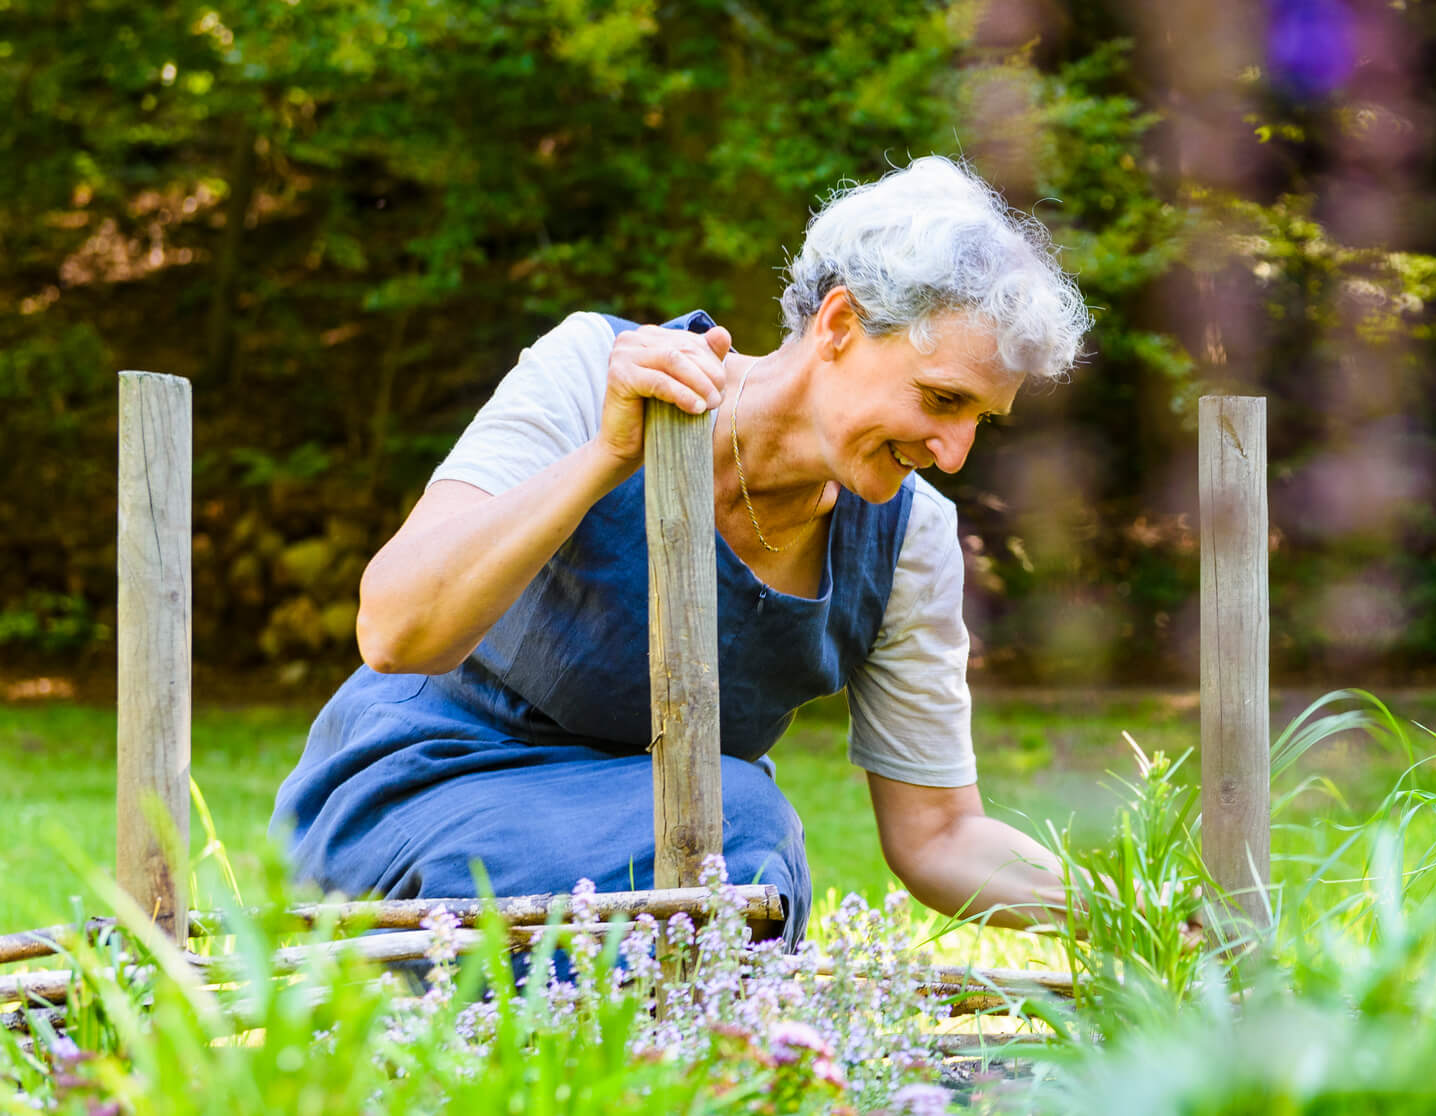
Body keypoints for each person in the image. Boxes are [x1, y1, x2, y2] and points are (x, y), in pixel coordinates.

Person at [268, 157, 1090, 937]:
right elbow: (395, 630)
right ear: (839, 324)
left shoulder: (912, 539)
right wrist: (607, 458)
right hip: (425, 797)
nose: (954, 452)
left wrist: (1134, 913)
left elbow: (941, 835)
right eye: (941, 399)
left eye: (978, 419)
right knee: (741, 826)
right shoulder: (590, 371)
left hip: (666, 836)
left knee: (731, 834)